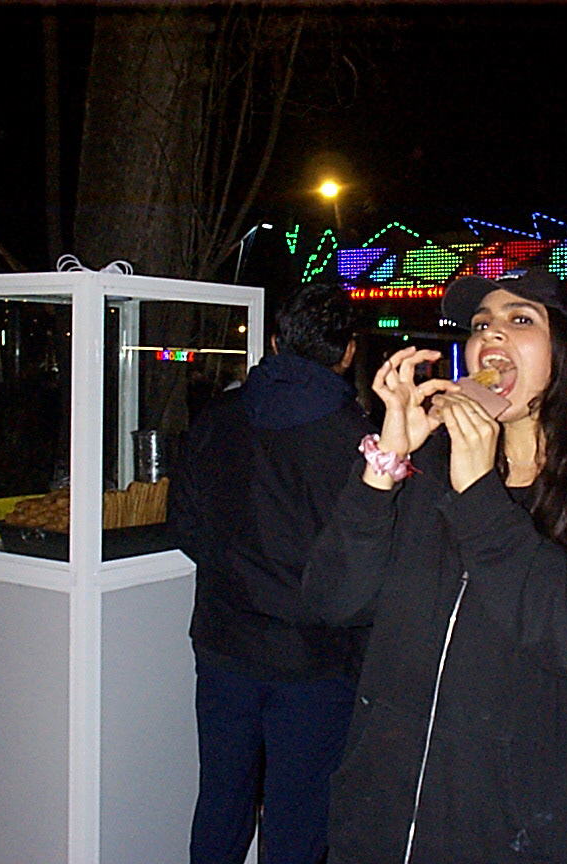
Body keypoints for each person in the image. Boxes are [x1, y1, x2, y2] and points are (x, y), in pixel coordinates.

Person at [303, 268, 567, 864]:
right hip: (381, 818)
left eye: (520, 320)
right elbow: (331, 600)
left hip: (519, 832)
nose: (489, 338)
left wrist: (477, 493)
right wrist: (386, 465)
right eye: (480, 326)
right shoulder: (425, 467)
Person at [170, 283, 376, 864]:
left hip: (223, 643)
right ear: (348, 352)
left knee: (221, 798)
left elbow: (184, 527)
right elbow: (367, 566)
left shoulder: (217, 420)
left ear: (274, 341)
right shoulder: (358, 443)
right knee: (299, 814)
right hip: (314, 659)